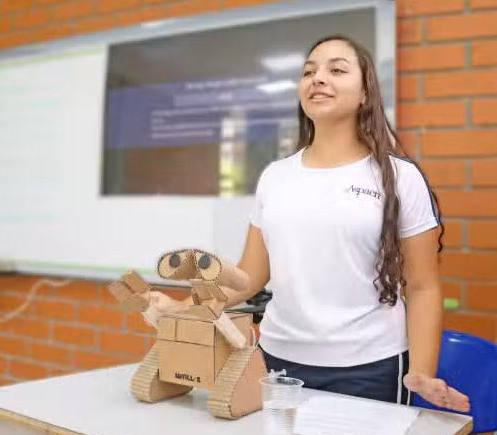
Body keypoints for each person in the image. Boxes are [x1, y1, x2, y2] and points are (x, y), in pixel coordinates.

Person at [147, 34, 470, 412]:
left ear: (365, 93)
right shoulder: (275, 176)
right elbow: (250, 276)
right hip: (276, 361)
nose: (318, 78)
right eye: (309, 72)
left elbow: (423, 286)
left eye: (337, 70)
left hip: (370, 368)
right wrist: (184, 307)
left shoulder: (401, 177)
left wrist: (422, 372)